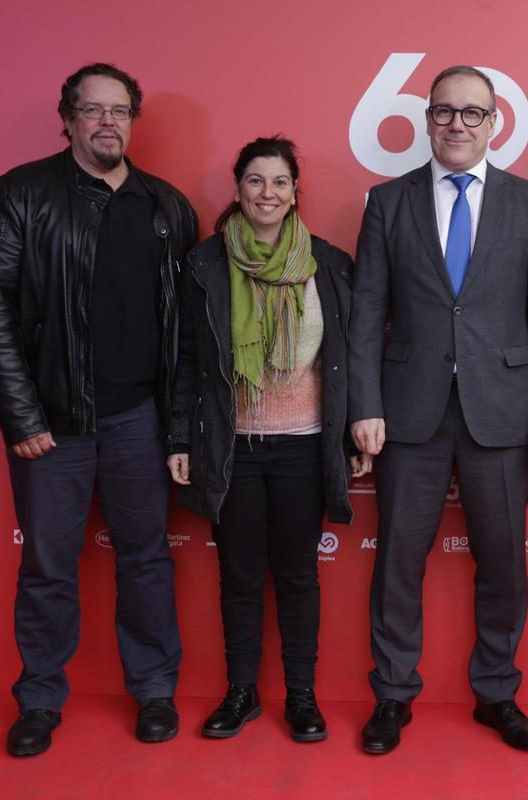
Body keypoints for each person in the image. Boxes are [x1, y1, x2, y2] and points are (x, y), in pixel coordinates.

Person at [347, 66, 528, 754]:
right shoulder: (388, 203)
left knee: (504, 560)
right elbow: (365, 318)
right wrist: (364, 403)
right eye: (445, 112)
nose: (457, 125)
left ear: (494, 121)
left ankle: (498, 693)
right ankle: (391, 696)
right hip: (407, 411)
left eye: (472, 114)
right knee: (397, 562)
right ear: (426, 119)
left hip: (503, 410)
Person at [0, 62, 198, 757]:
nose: (107, 122)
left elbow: (188, 332)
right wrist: (23, 417)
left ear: (133, 120)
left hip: (139, 421)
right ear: (67, 117)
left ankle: (155, 690)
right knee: (47, 566)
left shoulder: (168, 206)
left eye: (120, 111)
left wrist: (178, 424)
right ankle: (39, 699)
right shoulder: (21, 194)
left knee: (147, 560)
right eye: (93, 110)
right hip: (54, 424)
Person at [167, 136, 371, 743]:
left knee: (299, 575)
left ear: (294, 193)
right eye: (255, 181)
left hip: (306, 447)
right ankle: (241, 692)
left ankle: (302, 697)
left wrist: (357, 426)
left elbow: (353, 357)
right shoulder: (204, 264)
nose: (267, 193)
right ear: (237, 190)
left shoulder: (329, 264)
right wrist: (180, 436)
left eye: (279, 182)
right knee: (238, 575)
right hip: (233, 448)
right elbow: (185, 361)